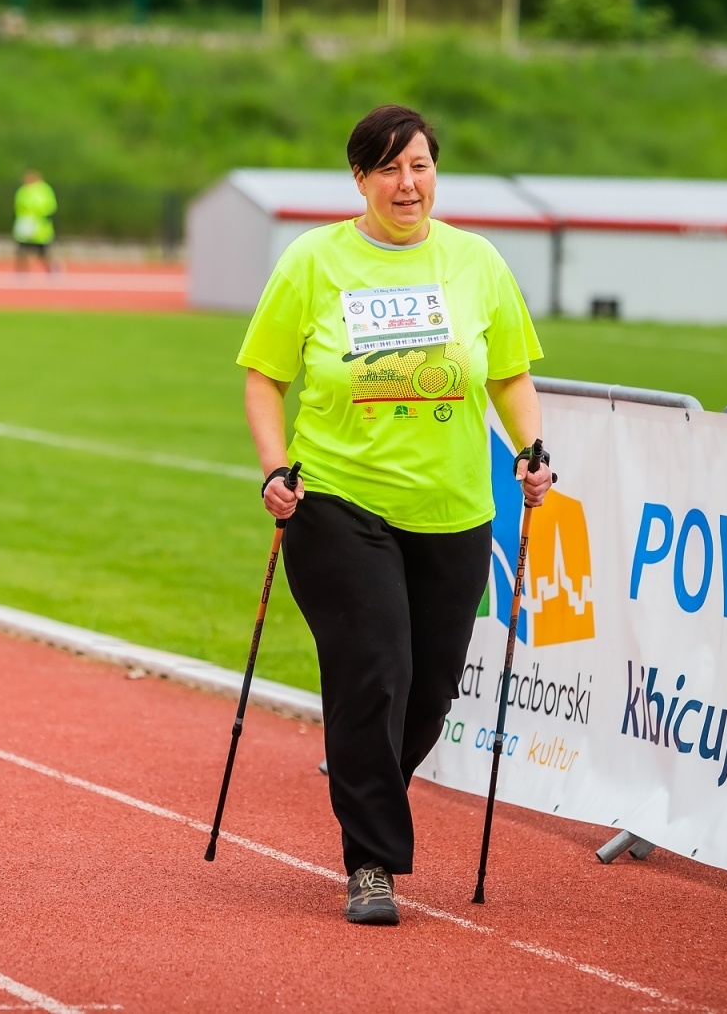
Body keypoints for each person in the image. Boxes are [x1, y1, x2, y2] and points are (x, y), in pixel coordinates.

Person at [237, 104, 553, 926]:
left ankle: (358, 771)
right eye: (387, 169)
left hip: (454, 510)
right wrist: (275, 467)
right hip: (338, 498)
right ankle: (371, 862)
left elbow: (510, 374)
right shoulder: (313, 261)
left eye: (418, 166)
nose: (405, 184)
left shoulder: (476, 263)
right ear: (360, 180)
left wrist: (531, 446)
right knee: (376, 669)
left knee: (430, 691)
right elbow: (264, 377)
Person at [13, 170, 57, 273]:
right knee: (21, 250)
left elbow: (49, 206)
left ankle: (51, 269)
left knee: (42, 252)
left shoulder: (44, 190)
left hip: (40, 227)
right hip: (25, 225)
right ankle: (22, 272)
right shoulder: (23, 190)